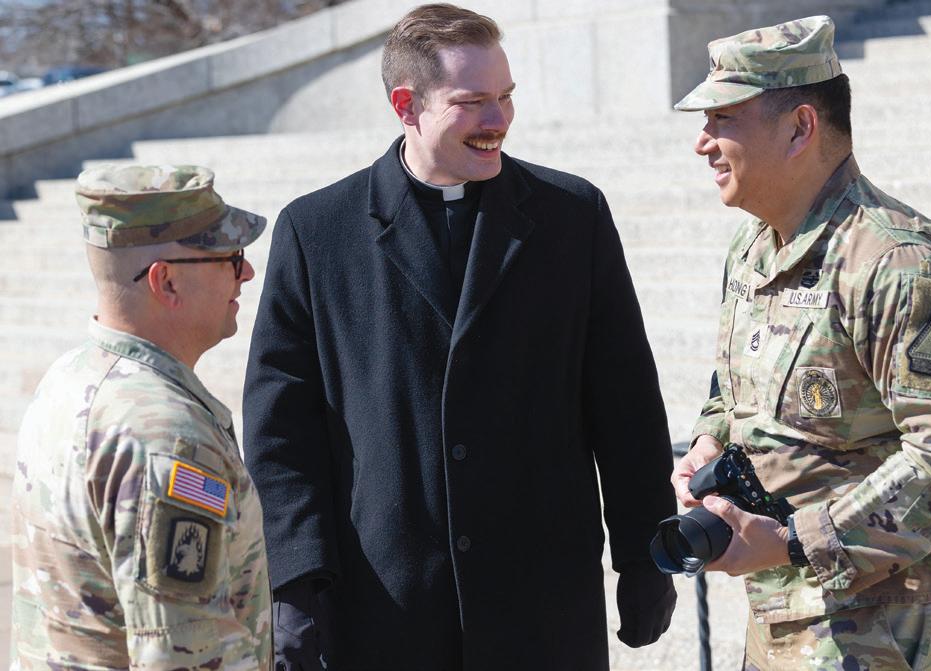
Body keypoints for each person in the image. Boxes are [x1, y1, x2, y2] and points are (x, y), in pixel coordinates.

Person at [242, 4, 676, 669]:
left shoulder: (572, 214)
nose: (498, 119)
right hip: (388, 610)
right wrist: (297, 580)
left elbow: (625, 401)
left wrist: (646, 553)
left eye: (506, 96)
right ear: (406, 106)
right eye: (472, 102)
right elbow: (282, 429)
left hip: (542, 605)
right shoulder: (316, 230)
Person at [672, 15, 931, 670]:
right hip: (779, 625)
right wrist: (709, 441)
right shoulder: (752, 248)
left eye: (723, 119)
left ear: (800, 127)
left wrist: (795, 540)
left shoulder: (898, 265)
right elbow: (733, 387)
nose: (702, 142)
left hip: (887, 636)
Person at [10, 165, 273, 670]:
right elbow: (182, 656)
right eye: (230, 258)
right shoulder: (167, 439)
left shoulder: (67, 378)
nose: (246, 274)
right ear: (166, 280)